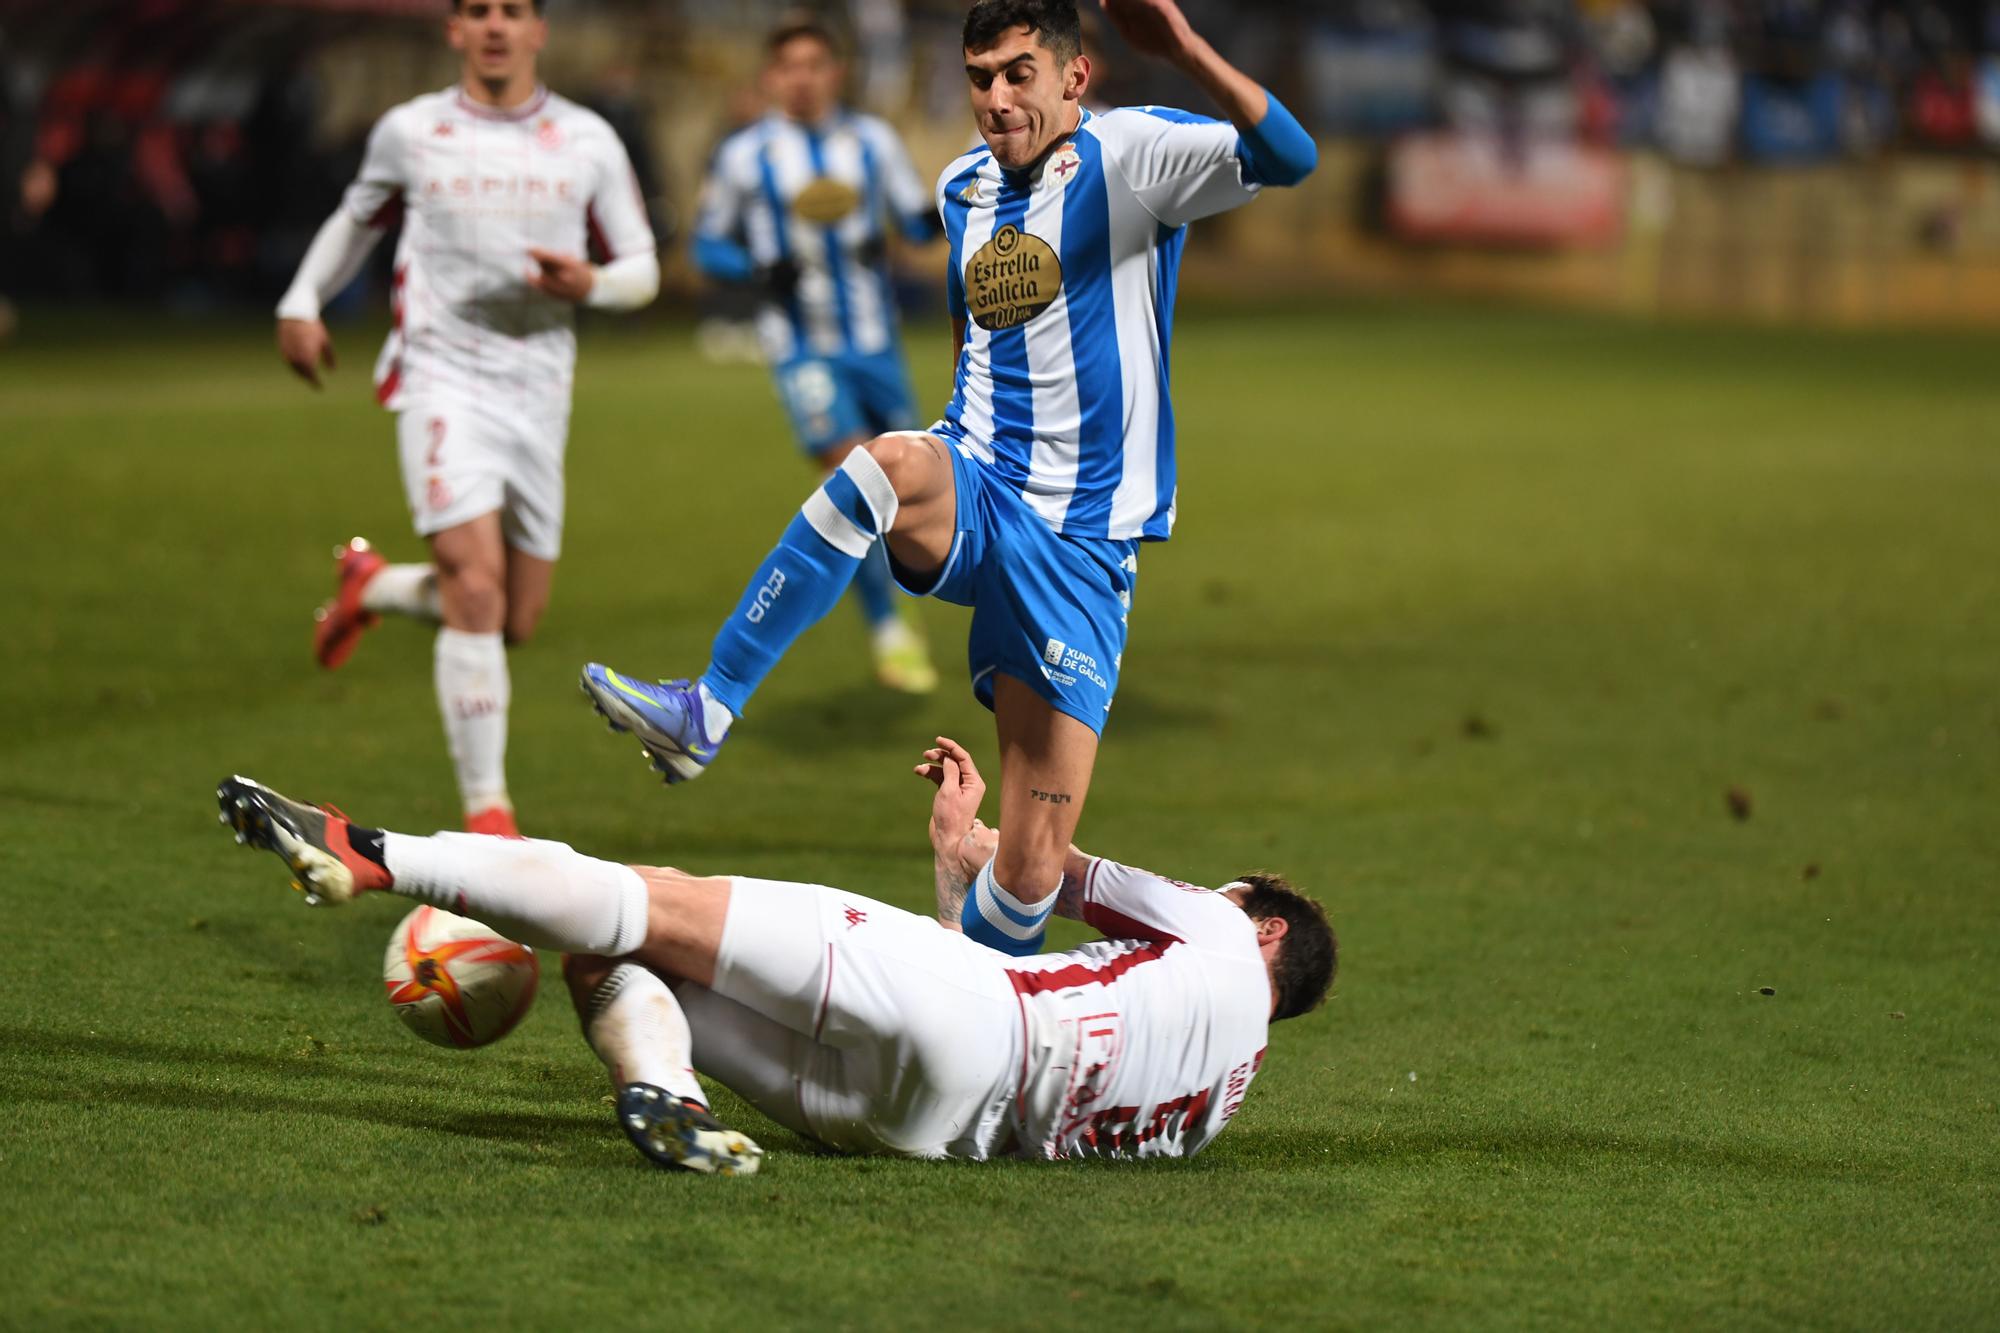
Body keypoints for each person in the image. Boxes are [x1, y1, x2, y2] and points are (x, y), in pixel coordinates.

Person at [579, 0, 1318, 960]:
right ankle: (707, 707)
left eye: (1019, 74)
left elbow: (1289, 157)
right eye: (980, 78)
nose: (998, 99)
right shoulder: (962, 185)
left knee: (1028, 868)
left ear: (1073, 77)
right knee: (880, 466)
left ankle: (959, 1006)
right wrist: (949, 450)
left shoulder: (1135, 155)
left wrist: (1180, 49)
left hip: (1080, 542)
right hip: (977, 481)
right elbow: (976, 335)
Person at [215, 736, 1335, 1171]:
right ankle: (669, 1099)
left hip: (973, 1016)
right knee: (603, 966)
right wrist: (950, 872)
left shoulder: (1217, 928)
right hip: (917, 1129)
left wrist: (976, 834)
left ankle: (366, 851)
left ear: (1267, 925)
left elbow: (1047, 864)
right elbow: (1005, 1006)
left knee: (641, 906)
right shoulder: (1207, 1108)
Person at [274, 0, 659, 838]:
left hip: (538, 390)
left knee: (514, 618)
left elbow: (643, 269)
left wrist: (589, 283)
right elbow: (355, 220)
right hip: (440, 376)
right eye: (478, 10)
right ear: (454, 30)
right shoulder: (411, 131)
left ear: (538, 29)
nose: (495, 25)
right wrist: (301, 301)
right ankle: (490, 813)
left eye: (512, 10)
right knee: (475, 587)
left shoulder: (587, 138)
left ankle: (370, 584)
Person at [691, 14, 940, 695]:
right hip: (801, 348)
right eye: (788, 66)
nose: (802, 78)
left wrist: (956, 206)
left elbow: (918, 219)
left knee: (907, 495)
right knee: (851, 470)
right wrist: (757, 268)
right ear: (772, 78)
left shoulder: (873, 143)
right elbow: (705, 245)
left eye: (814, 64)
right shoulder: (747, 156)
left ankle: (918, 606)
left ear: (834, 72)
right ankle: (888, 627)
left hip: (875, 341)